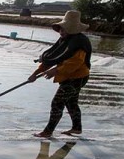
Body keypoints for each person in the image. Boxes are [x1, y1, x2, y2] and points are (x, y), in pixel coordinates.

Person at [28, 10, 92, 138]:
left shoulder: (79, 42)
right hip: (68, 76)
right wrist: (35, 73)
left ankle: (48, 131)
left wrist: (55, 70)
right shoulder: (64, 41)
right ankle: (77, 128)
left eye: (65, 29)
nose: (61, 31)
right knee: (71, 102)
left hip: (77, 77)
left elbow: (75, 62)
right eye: (61, 29)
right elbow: (53, 57)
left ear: (73, 29)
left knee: (57, 102)